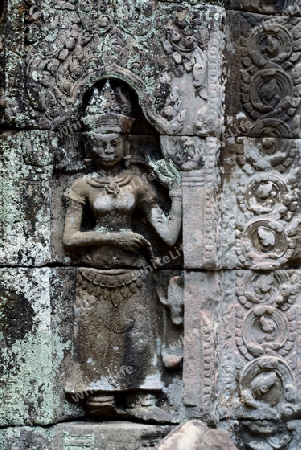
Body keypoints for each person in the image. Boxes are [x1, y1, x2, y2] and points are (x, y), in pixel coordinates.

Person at [63, 81, 182, 419]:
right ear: (89, 146)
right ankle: (100, 396)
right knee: (96, 353)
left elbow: (169, 235)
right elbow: (70, 238)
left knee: (139, 344)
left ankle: (142, 397)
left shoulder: (138, 183)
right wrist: (113, 238)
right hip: (93, 281)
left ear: (126, 143)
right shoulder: (81, 186)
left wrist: (177, 195)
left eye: (115, 143)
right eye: (100, 144)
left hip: (134, 281)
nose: (108, 150)